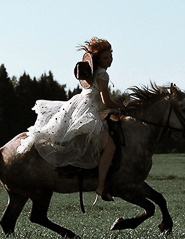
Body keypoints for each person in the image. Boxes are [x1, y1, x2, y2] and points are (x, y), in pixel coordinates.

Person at [17, 37, 121, 201]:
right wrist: (122, 107)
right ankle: (101, 186)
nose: (110, 60)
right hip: (88, 111)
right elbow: (106, 101)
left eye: (111, 56)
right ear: (98, 60)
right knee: (110, 148)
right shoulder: (102, 75)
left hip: (77, 105)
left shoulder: (91, 72)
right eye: (106, 58)